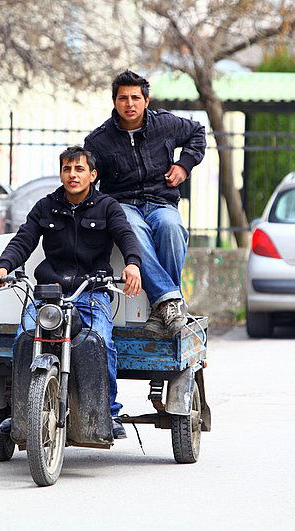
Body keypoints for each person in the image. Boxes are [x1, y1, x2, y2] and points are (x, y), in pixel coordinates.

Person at [0, 146, 142, 439]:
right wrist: (3, 267)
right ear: (61, 173)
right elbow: (24, 239)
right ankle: (21, 412)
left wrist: (133, 265)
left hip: (91, 292)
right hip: (49, 294)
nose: (73, 175)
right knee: (25, 337)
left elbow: (126, 237)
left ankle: (109, 412)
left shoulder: (107, 206)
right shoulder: (46, 206)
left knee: (100, 341)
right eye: (67, 169)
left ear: (92, 175)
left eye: (79, 169)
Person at [84, 70, 206, 335]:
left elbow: (198, 132)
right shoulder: (98, 141)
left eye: (136, 98)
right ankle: (172, 302)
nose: (130, 104)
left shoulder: (165, 124)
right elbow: (89, 180)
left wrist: (184, 165)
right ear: (114, 102)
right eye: (123, 98)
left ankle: (160, 307)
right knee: (134, 230)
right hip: (123, 204)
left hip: (161, 201)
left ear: (146, 101)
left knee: (171, 228)